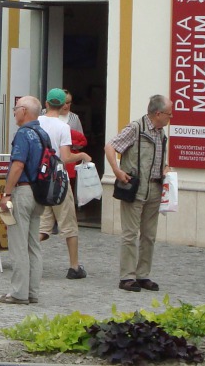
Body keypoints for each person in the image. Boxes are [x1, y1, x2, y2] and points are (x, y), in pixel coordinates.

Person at [104, 94, 172, 292]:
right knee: (130, 234)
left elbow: (159, 158)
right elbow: (110, 146)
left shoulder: (161, 133)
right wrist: (116, 170)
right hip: (134, 188)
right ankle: (127, 276)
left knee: (149, 235)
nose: (171, 118)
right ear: (158, 113)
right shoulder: (136, 128)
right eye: (169, 114)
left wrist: (165, 169)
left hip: (155, 188)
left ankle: (143, 275)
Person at [37, 88, 92, 280]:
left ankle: (26, 257)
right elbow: (66, 157)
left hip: (40, 179)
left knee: (43, 227)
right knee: (69, 224)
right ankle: (74, 266)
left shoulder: (36, 123)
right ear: (62, 106)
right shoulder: (63, 128)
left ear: (46, 103)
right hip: (58, 179)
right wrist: (83, 155)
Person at [0, 96, 46, 304]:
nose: (14, 112)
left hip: (23, 191)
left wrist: (6, 193)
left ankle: (18, 293)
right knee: (33, 244)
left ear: (24, 111)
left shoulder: (24, 134)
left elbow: (17, 165)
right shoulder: (43, 134)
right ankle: (32, 291)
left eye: (16, 109)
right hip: (39, 193)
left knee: (18, 245)